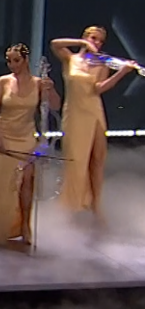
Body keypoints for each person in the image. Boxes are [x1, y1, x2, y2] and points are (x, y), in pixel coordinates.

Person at [0, 43, 61, 246]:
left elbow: (54, 106)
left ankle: (25, 227)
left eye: (16, 60)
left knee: (26, 183)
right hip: (4, 136)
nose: (12, 65)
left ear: (26, 60)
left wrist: (51, 88)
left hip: (26, 138)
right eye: (9, 61)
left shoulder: (38, 83)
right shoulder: (3, 82)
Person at [50, 26, 135, 224]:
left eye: (100, 41)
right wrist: (81, 43)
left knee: (96, 159)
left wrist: (122, 72)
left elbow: (99, 88)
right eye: (93, 38)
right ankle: (71, 207)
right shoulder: (70, 59)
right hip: (75, 113)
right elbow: (55, 44)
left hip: (94, 112)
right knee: (76, 160)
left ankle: (96, 206)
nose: (96, 43)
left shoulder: (101, 63)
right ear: (85, 37)